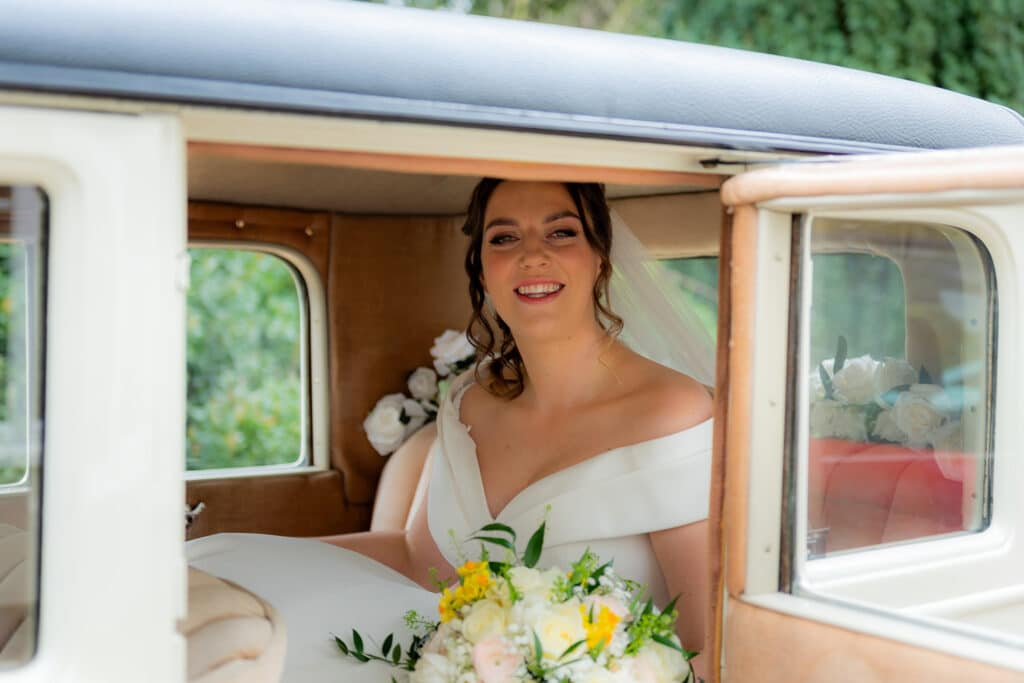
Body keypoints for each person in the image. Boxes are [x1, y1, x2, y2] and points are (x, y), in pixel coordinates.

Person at [187, 179, 714, 682]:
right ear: (483, 270)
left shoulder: (672, 412)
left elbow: (709, 650)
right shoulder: (470, 400)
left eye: (561, 232)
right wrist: (246, 561)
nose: (533, 255)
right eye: (504, 238)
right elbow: (420, 560)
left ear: (600, 256)